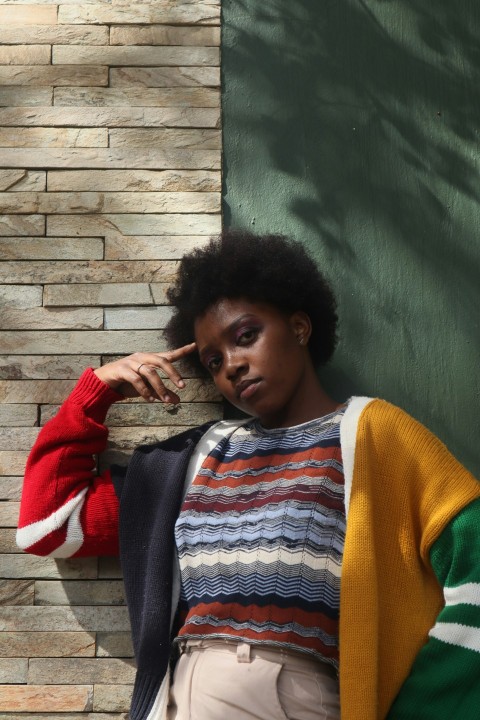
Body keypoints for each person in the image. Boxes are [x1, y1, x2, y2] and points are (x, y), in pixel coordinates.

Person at [17, 230, 480, 720]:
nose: (233, 366)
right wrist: (98, 392)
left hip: (282, 694)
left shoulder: (372, 433)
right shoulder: (199, 457)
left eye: (246, 336)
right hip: (175, 696)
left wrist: (426, 705)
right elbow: (48, 527)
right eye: (214, 361)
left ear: (299, 327)